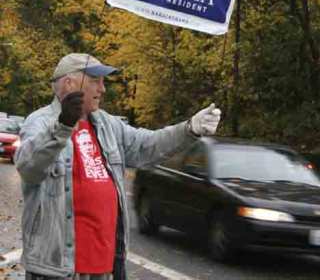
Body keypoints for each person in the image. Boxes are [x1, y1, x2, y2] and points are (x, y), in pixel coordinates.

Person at [15, 53, 221, 280]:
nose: (102, 89)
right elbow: (29, 167)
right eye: (95, 81)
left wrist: (190, 128)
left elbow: (146, 146)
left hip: (104, 266)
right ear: (69, 84)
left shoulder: (107, 124)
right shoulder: (41, 122)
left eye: (103, 82)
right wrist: (62, 126)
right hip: (57, 270)